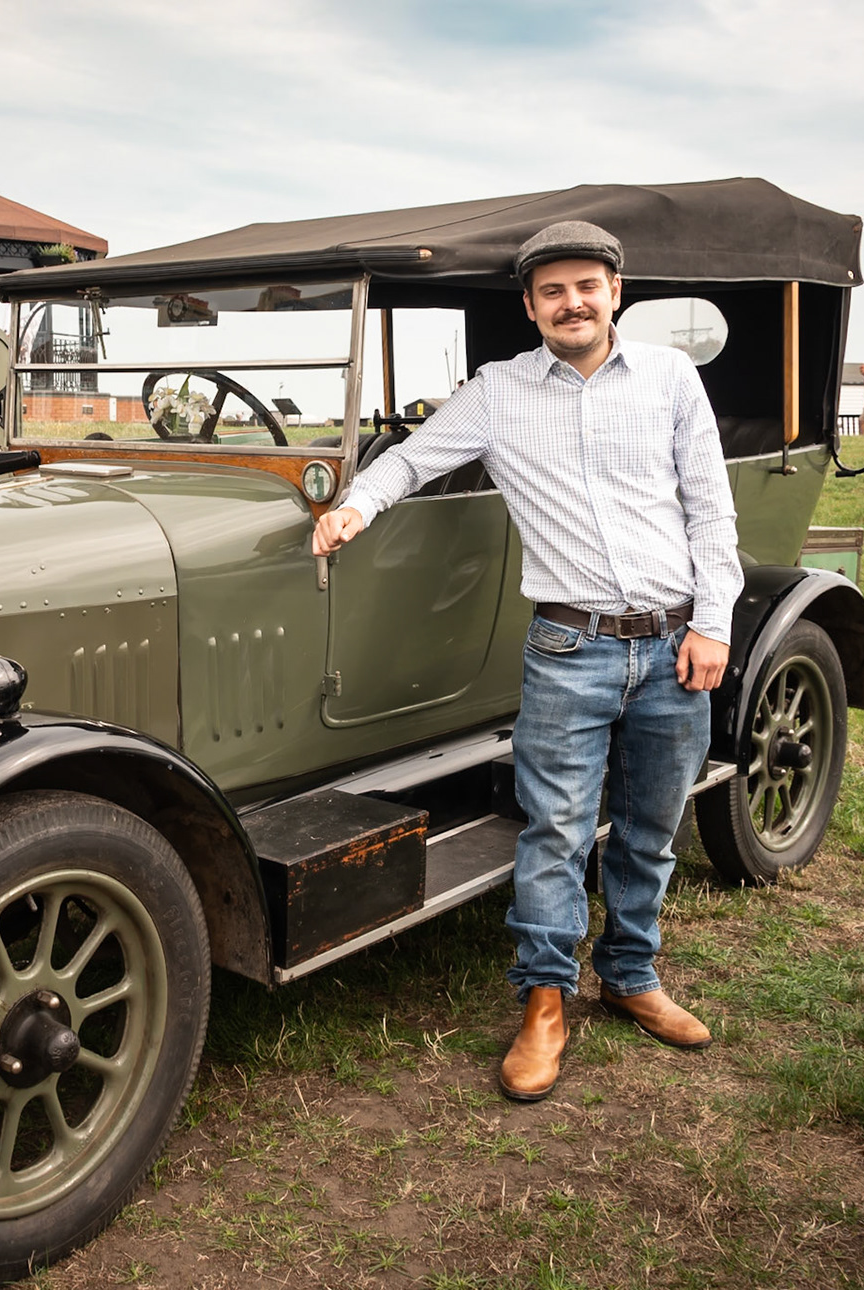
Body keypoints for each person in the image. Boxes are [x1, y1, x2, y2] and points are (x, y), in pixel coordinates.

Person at [311, 220, 742, 1102]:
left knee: (654, 827)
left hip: (672, 643)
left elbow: (711, 510)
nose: (571, 302)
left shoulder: (669, 379)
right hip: (568, 646)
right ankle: (544, 1004)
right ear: (531, 306)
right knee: (555, 831)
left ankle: (631, 977)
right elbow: (413, 460)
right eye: (552, 291)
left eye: (586, 285)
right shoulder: (499, 391)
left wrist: (716, 623)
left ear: (615, 292)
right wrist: (353, 508)